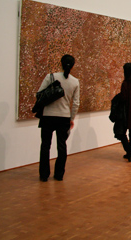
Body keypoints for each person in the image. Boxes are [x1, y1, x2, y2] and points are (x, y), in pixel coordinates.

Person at [38, 54, 80, 182]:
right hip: (63, 117)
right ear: (72, 66)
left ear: (61, 63)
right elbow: (76, 103)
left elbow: (39, 94)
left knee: (45, 145)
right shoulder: (74, 81)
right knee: (62, 146)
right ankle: (59, 174)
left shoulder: (51, 77)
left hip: (48, 116)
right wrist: (71, 118)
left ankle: (44, 175)